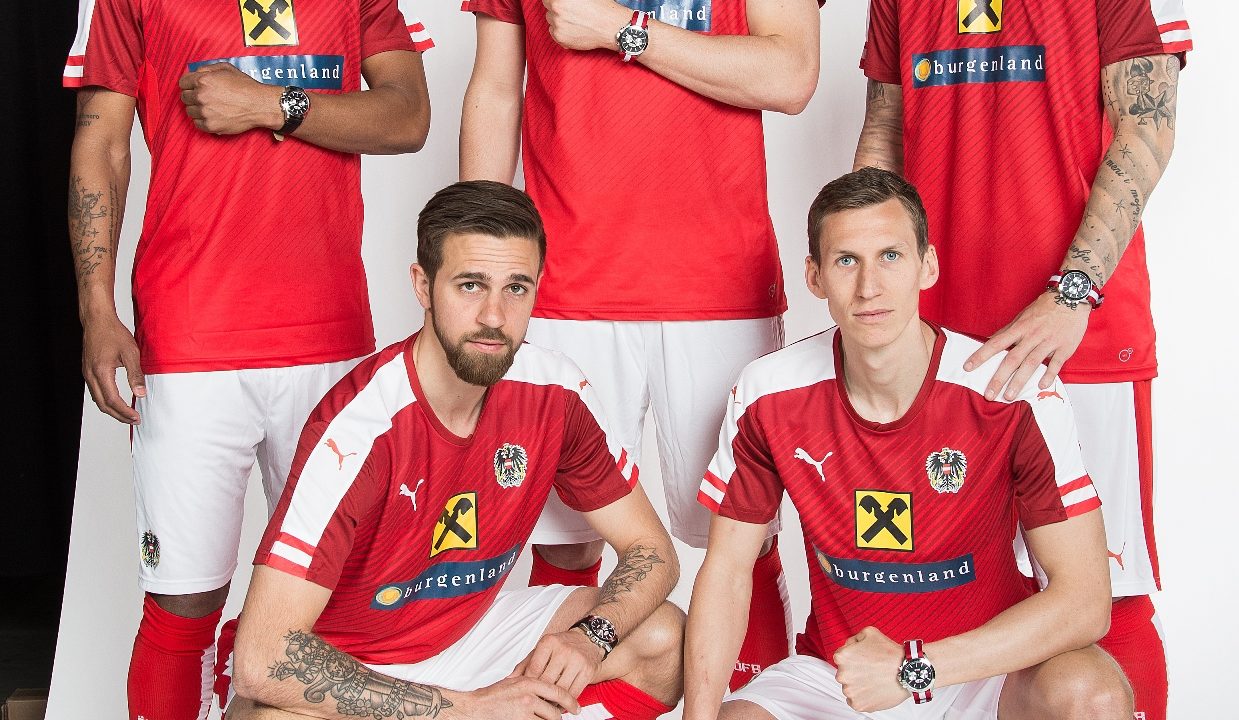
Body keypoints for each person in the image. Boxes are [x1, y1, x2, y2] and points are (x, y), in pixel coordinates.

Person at [64, 0, 431, 714]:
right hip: (190, 335)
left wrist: (270, 104)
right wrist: (96, 309)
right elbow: (101, 143)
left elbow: (407, 116)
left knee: (334, 601)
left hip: (329, 336)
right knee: (183, 601)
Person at [458, 0, 821, 688]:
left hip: (716, 280)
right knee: (565, 539)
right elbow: (497, 88)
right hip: (565, 279)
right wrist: (478, 260)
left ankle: (753, 705)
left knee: (740, 540)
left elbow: (790, 74)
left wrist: (621, 30)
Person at [221, 181, 683, 720]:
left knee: (661, 637)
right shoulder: (358, 429)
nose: (494, 316)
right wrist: (466, 710)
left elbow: (653, 550)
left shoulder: (554, 391)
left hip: (467, 637)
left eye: (516, 288)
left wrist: (590, 637)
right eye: (470, 285)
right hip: (354, 663)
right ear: (423, 285)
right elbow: (262, 657)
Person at [684, 168, 1132, 720]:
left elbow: (1086, 602)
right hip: (841, 676)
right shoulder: (768, 392)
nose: (869, 287)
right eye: (846, 261)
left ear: (928, 266)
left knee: (1091, 694)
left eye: (890, 256)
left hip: (983, 670)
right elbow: (727, 572)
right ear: (815, 277)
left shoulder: (1011, 392)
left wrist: (915, 667)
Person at [852, 2, 1191, 716]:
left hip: (1078, 341)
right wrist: (873, 281)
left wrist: (1072, 292)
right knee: (952, 587)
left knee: (1109, 592)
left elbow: (1146, 129)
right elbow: (884, 129)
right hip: (939, 341)